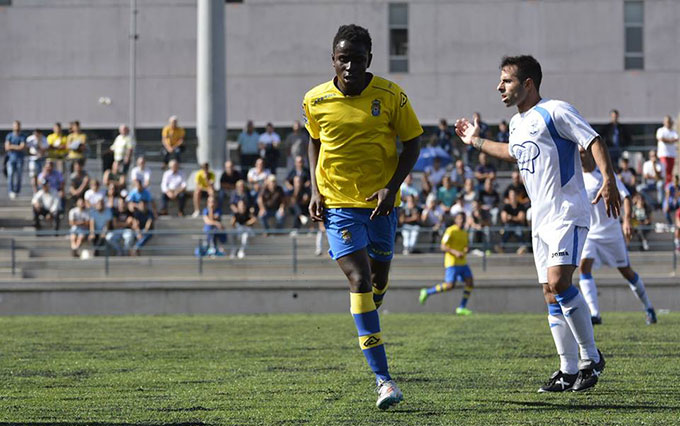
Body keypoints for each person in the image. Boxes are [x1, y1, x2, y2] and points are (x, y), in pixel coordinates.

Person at [455, 55, 620, 393]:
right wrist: (475, 141)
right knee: (549, 291)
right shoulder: (517, 123)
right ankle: (568, 369)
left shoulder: (556, 111)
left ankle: (591, 357)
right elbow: (512, 152)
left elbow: (593, 139)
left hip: (567, 212)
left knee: (560, 282)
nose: (499, 87)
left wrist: (609, 180)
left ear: (527, 83)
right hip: (540, 218)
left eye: (507, 81)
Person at [303, 24, 423, 409]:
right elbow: (314, 140)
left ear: (369, 59)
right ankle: (384, 381)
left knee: (379, 277)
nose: (350, 65)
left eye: (358, 58)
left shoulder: (390, 95)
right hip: (338, 205)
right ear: (333, 60)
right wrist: (314, 188)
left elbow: (413, 142)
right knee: (359, 278)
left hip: (381, 203)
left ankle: (373, 300)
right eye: (343, 58)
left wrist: (392, 186)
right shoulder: (315, 99)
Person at [578, 147, 656, 326]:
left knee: (627, 272)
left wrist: (627, 221)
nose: (580, 156)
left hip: (611, 231)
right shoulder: (577, 177)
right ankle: (595, 314)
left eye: (582, 152)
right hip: (590, 233)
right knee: (584, 268)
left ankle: (649, 307)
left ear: (590, 154)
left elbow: (626, 196)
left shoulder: (604, 174)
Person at [419, 212, 474, 314]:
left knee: (470, 282)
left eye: (463, 219)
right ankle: (427, 292)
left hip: (463, 262)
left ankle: (462, 307)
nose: (461, 221)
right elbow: (443, 246)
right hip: (452, 263)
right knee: (449, 286)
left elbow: (466, 245)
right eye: (459, 219)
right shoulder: (450, 231)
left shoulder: (465, 232)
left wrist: (466, 249)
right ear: (455, 220)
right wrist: (455, 252)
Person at [499, 188, 528, 253]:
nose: (513, 197)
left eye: (514, 195)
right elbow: (504, 218)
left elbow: (521, 218)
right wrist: (515, 218)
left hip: (518, 225)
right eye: (511, 195)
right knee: (508, 229)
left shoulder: (521, 206)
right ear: (509, 197)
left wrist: (510, 217)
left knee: (518, 230)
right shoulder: (506, 206)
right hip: (508, 225)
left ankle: (522, 247)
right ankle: (501, 247)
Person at [5, 120, 26, 199]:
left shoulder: (22, 136)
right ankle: (11, 191)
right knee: (10, 175)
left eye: (18, 125)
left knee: (19, 176)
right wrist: (17, 147)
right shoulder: (9, 136)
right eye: (15, 125)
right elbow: (7, 147)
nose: (16, 127)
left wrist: (12, 146)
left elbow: (22, 147)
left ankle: (17, 191)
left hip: (20, 159)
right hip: (11, 159)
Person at [656, 115, 678, 185]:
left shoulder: (673, 132)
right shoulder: (660, 130)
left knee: (670, 173)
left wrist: (667, 140)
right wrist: (670, 140)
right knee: (664, 172)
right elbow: (661, 139)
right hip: (664, 154)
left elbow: (676, 139)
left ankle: (668, 186)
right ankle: (665, 186)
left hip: (671, 155)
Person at [26, 129, 48, 193]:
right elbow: (26, 148)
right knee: (33, 176)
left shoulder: (44, 139)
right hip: (33, 160)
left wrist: (39, 141)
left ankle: (41, 190)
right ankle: (35, 191)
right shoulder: (30, 139)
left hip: (42, 160)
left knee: (42, 176)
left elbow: (44, 149)